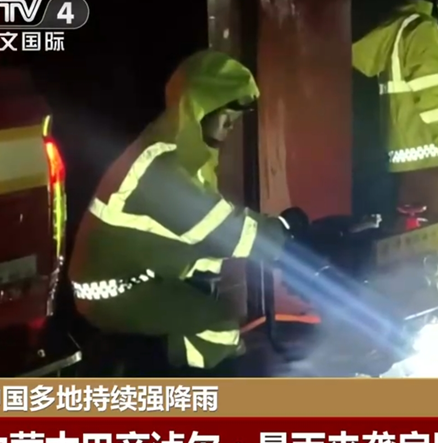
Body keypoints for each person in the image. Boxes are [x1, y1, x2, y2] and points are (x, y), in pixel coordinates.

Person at [69, 50, 294, 375]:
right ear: (198, 108)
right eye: (224, 116)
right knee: (216, 323)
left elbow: (202, 231)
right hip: (113, 291)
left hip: (139, 274)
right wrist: (284, 232)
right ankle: (189, 386)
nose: (230, 126)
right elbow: (220, 230)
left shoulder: (185, 153)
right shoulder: (161, 165)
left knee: (210, 309)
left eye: (234, 119)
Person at [352, 0, 438, 216]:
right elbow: (432, 94)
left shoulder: (396, 29)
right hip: (433, 158)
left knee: (413, 231)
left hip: (404, 159)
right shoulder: (422, 30)